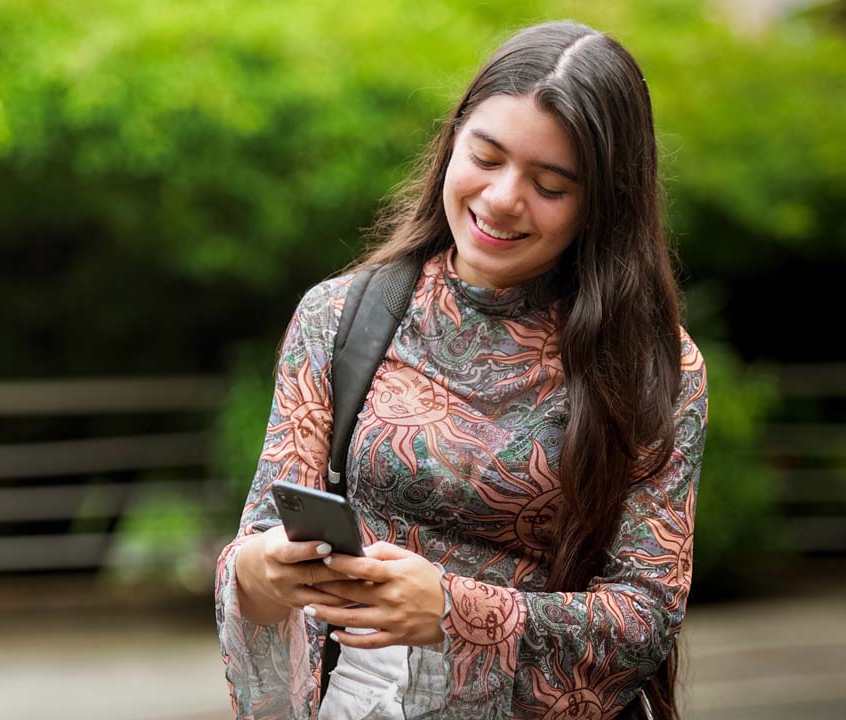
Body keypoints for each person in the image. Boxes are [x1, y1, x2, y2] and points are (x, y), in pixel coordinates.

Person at [215, 20, 707, 720]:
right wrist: (260, 570)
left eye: (551, 184)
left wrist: (453, 610)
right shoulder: (338, 318)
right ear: (453, 144)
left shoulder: (656, 367)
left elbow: (645, 616)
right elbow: (257, 549)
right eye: (486, 155)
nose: (504, 197)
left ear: (603, 205)